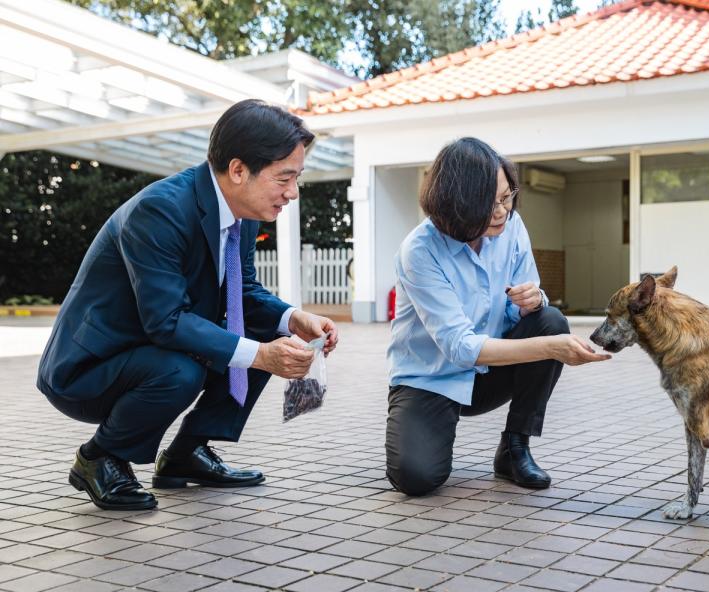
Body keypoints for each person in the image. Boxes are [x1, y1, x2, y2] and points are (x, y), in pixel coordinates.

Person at [36, 99, 338, 511]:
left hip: (150, 350)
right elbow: (166, 321)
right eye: (284, 178)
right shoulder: (159, 210)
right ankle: (99, 458)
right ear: (237, 170)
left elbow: (243, 292)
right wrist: (262, 357)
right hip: (89, 369)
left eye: (297, 177)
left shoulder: (243, 211)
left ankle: (185, 455)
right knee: (185, 369)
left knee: (270, 332)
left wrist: (293, 318)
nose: (293, 192)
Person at [385, 137, 610, 496]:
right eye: (489, 203)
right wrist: (550, 348)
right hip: (432, 379)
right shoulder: (420, 250)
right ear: (456, 204)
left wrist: (532, 301)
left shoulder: (512, 227)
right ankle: (431, 429)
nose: (502, 211)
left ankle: (514, 448)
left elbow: (524, 306)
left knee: (550, 319)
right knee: (416, 478)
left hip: (491, 373)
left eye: (506, 198)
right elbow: (459, 347)